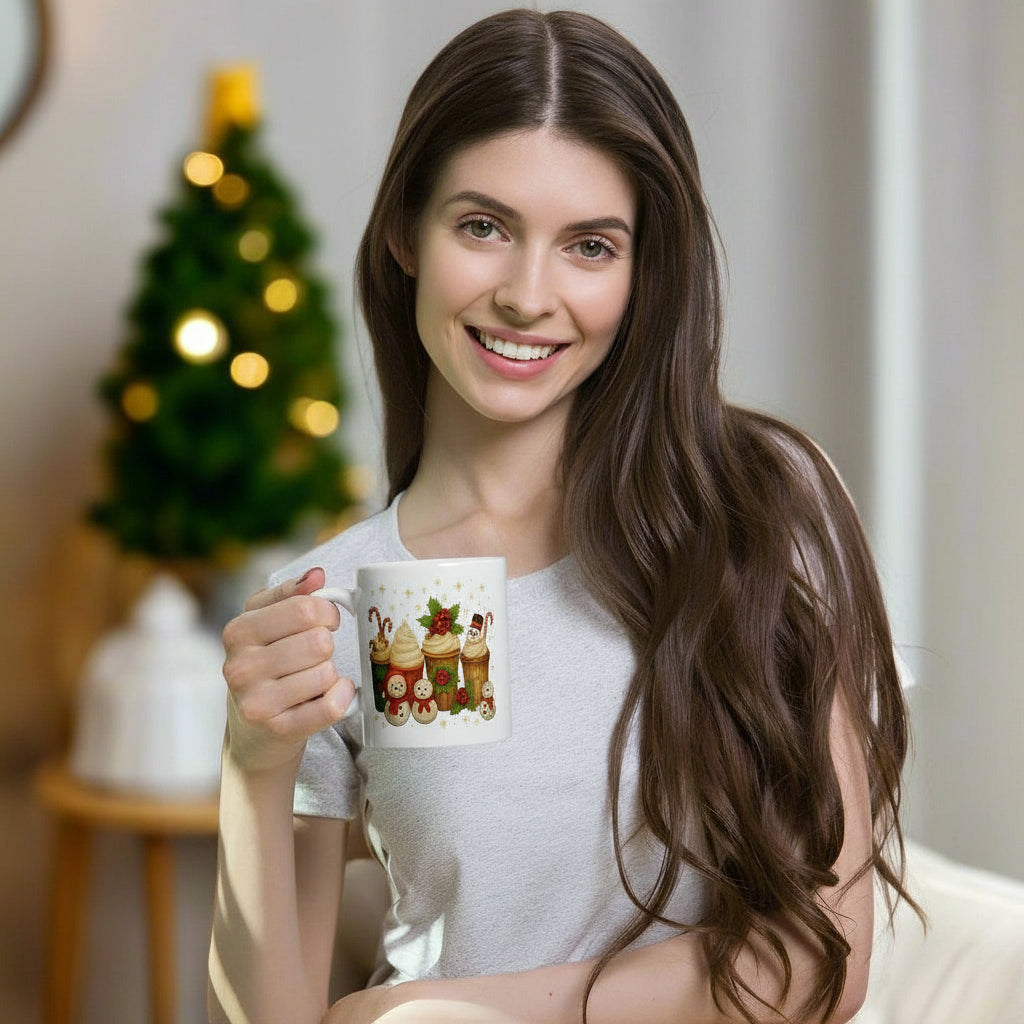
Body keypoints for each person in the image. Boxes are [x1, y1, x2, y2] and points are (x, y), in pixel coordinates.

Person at [207, 9, 918, 1024]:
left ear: (640, 277)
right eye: (483, 227)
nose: (527, 295)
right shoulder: (344, 601)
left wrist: (447, 1010)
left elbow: (822, 959)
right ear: (407, 232)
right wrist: (251, 765)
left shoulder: (763, 505)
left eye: (588, 245)